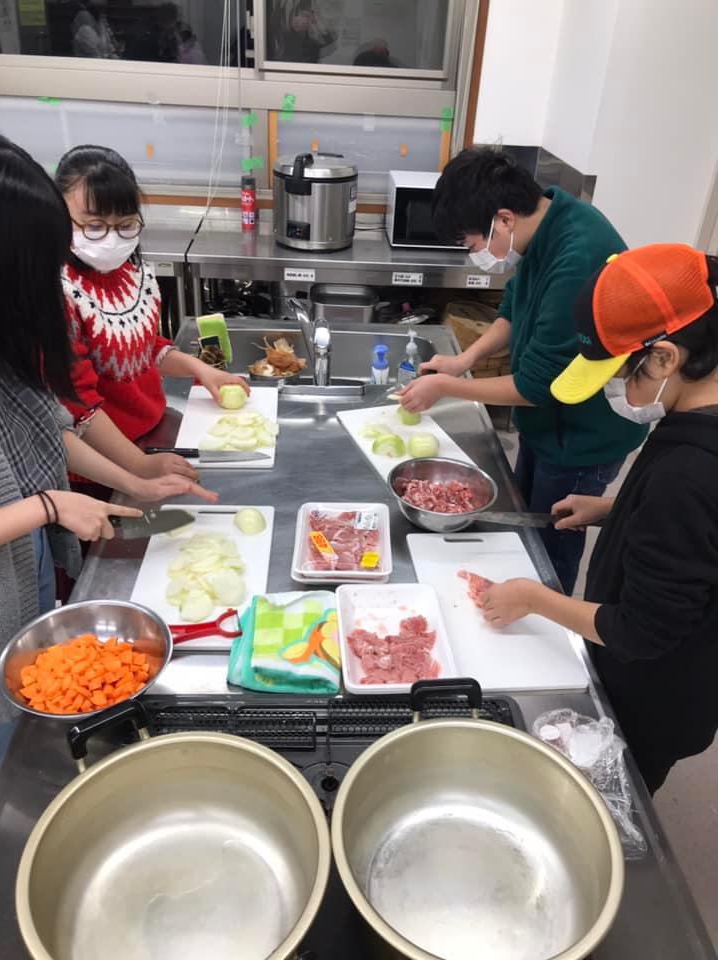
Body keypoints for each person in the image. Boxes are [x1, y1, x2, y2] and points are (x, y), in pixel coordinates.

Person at [480, 244, 718, 795]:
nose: (617, 392)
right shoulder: (695, 421)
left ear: (665, 359)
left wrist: (534, 598)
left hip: (656, 692)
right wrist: (615, 509)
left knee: (619, 791)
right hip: (685, 671)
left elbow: (639, 631)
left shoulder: (689, 474)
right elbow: (700, 536)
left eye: (618, 374)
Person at [0, 135, 215, 657]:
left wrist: (134, 480)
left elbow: (46, 427)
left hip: (26, 559)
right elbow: (75, 408)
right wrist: (49, 505)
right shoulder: (53, 297)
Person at [397, 148, 648, 595]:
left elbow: (537, 386)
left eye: (473, 245)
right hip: (546, 424)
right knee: (525, 526)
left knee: (551, 544)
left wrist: (447, 386)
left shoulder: (578, 255)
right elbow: (514, 307)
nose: (476, 255)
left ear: (504, 219)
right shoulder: (544, 223)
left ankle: (550, 616)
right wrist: (464, 361)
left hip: (581, 435)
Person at [54, 145, 249, 480]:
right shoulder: (58, 292)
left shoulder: (130, 274)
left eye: (126, 225)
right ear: (58, 214)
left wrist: (202, 370)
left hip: (148, 438)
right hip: (99, 468)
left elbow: (142, 348)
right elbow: (77, 402)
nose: (112, 239)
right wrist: (137, 465)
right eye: (95, 226)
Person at [268, 0, 336, 63]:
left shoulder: (310, 40)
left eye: (311, 15)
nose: (310, 20)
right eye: (305, 15)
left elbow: (330, 44)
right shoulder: (286, 40)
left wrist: (319, 26)